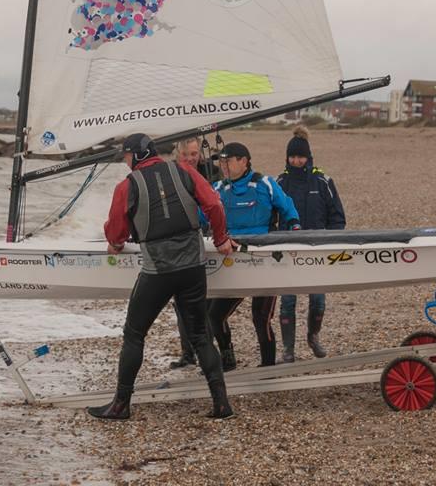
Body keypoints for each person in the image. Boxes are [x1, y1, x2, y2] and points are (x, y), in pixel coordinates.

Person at [87, 132, 235, 421]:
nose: (125, 161)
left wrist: (115, 244)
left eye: (126, 156)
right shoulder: (183, 170)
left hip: (158, 272)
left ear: (137, 154)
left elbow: (116, 230)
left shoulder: (126, 186)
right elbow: (215, 205)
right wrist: (221, 239)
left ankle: (120, 405)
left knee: (134, 334)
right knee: (201, 336)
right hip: (193, 268)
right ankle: (221, 405)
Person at [208, 141, 300, 369]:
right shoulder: (218, 188)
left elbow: (289, 211)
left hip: (264, 262)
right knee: (214, 316)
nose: (224, 166)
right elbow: (200, 216)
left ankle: (267, 367)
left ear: (244, 161)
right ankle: (228, 359)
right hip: (233, 262)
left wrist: (296, 231)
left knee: (261, 318)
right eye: (221, 161)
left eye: (228, 160)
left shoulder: (265, 184)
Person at [277, 126, 346, 362]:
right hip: (288, 251)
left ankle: (313, 337)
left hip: (317, 250)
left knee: (318, 299)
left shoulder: (323, 181)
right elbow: (271, 219)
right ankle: (288, 348)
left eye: (300, 156)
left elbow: (338, 217)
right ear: (287, 157)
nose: (296, 161)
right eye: (292, 157)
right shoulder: (280, 183)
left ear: (308, 156)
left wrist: (331, 243)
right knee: (288, 300)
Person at [169, 136, 219, 369]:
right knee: (180, 302)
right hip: (181, 241)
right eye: (185, 155)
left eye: (194, 154)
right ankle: (187, 353)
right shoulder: (167, 174)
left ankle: (210, 355)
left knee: (205, 305)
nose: (190, 159)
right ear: (177, 154)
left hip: (208, 240)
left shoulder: (213, 172)